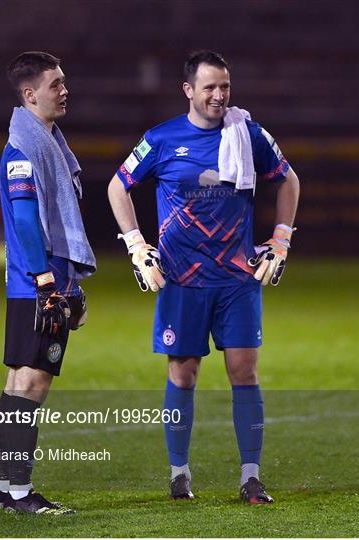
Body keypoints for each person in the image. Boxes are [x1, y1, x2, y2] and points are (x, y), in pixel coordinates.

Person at [108, 50, 299, 504]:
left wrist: (281, 239)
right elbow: (119, 186)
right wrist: (137, 248)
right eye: (209, 87)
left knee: (244, 372)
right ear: (188, 90)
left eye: (225, 87)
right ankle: (179, 475)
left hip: (237, 278)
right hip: (182, 279)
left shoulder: (248, 133)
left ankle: (250, 477)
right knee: (183, 374)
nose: (219, 96)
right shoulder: (160, 139)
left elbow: (288, 180)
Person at [0, 51, 96, 514]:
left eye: (64, 81)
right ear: (30, 95)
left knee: (19, 382)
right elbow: (26, 220)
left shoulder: (44, 143)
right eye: (55, 84)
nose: (64, 89)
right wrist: (49, 283)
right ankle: (18, 492)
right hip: (38, 284)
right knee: (31, 383)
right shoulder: (23, 149)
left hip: (38, 282)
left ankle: (5, 489)